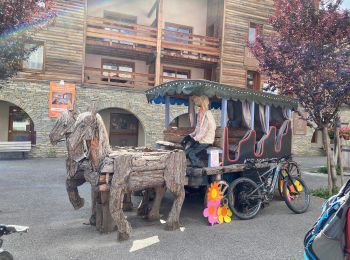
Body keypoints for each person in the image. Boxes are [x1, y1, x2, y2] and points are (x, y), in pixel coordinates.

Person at [184, 96, 216, 167]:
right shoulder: (201, 112)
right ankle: (191, 167)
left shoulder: (207, 115)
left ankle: (200, 169)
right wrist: (189, 136)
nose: (195, 103)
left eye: (196, 101)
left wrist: (193, 140)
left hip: (206, 142)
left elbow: (203, 132)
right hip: (200, 141)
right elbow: (197, 129)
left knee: (192, 154)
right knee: (186, 152)